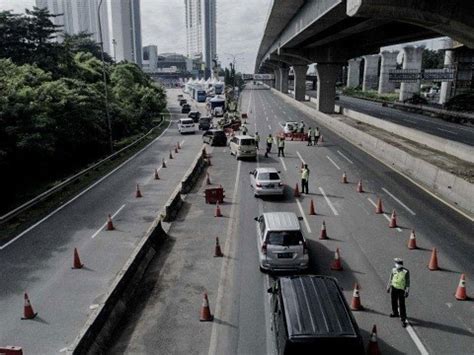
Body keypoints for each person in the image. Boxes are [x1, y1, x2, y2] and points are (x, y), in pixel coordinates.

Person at [387, 258, 410, 328]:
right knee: (393, 301)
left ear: (400, 264)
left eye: (397, 263)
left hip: (401, 290)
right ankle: (395, 313)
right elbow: (391, 278)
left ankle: (403, 319)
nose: (395, 264)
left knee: (401, 304)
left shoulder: (405, 271)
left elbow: (407, 282)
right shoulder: (393, 269)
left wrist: (407, 291)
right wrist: (388, 286)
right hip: (394, 288)